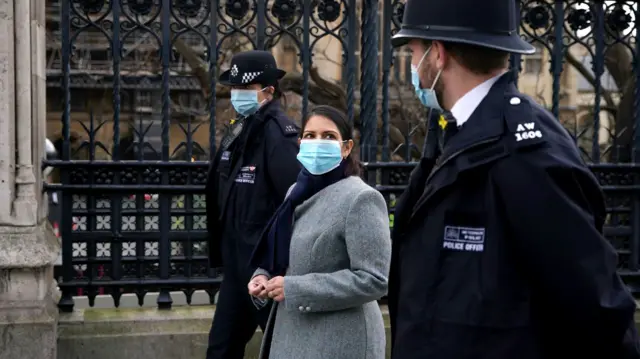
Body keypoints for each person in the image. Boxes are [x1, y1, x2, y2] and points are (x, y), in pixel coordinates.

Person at [388, 0, 640, 358]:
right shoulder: (456, 133)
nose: (413, 66)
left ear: (438, 53)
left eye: (413, 52)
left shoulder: (524, 154)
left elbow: (595, 308)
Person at [247, 105, 391, 359]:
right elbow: (283, 252)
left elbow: (374, 280)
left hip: (340, 340)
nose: (318, 143)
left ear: (346, 148)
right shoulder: (296, 191)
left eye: (329, 136)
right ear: (300, 143)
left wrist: (295, 289)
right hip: (294, 335)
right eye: (310, 136)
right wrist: (263, 275)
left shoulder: (361, 198)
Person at [205, 50, 301, 359]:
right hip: (236, 267)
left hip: (264, 269)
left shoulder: (277, 133)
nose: (237, 95)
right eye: (234, 89)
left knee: (282, 347)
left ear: (268, 91)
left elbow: (294, 200)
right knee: (220, 349)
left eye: (245, 89)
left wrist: (276, 264)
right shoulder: (240, 128)